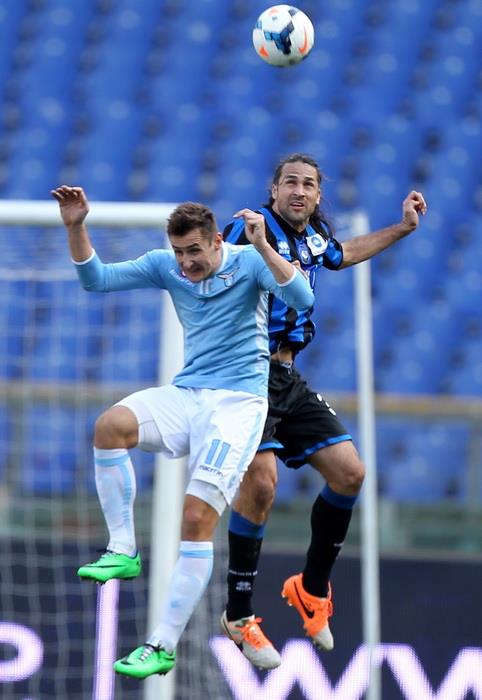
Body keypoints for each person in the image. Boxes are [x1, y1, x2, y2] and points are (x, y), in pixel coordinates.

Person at [51, 185, 314, 680]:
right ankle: (123, 548)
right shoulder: (166, 266)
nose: (187, 262)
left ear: (217, 241)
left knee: (195, 517)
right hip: (188, 393)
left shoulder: (250, 261)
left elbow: (302, 297)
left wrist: (262, 245)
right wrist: (76, 227)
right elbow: (96, 280)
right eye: (179, 252)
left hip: (238, 406)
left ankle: (161, 645)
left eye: (195, 250)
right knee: (110, 426)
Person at [221, 153, 427, 669]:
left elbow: (343, 252)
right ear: (273, 190)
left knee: (350, 472)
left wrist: (403, 227)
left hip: (286, 376)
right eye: (290, 182)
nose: (299, 190)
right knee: (261, 484)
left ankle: (312, 589)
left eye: (308, 184)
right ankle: (238, 614)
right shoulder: (250, 228)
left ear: (317, 196)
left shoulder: (313, 235)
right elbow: (213, 268)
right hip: (245, 373)